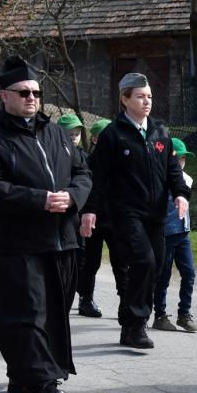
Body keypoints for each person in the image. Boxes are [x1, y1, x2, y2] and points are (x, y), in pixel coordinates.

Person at [0, 56, 91, 393]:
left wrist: (72, 197)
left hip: (61, 239)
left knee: (54, 312)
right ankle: (44, 385)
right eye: (24, 92)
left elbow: (82, 172)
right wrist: (39, 200)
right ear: (4, 96)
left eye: (36, 92)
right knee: (28, 312)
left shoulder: (56, 133)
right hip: (17, 242)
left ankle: (22, 375)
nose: (32, 98)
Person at [82, 74, 190, 350]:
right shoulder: (113, 134)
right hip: (125, 213)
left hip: (155, 214)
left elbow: (172, 170)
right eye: (140, 96)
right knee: (144, 261)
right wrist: (90, 209)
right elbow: (97, 175)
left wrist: (180, 194)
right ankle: (136, 325)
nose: (146, 101)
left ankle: (129, 318)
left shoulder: (160, 132)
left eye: (149, 96)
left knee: (156, 265)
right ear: (125, 99)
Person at [75, 118, 119, 318]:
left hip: (117, 219)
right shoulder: (88, 163)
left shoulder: (121, 162)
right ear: (94, 139)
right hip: (92, 219)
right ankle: (86, 299)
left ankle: (127, 301)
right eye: (104, 137)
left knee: (121, 261)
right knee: (90, 261)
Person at [153, 138, 197, 333]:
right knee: (163, 276)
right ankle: (160, 315)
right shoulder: (160, 179)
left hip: (183, 234)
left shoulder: (186, 179)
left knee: (189, 273)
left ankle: (184, 314)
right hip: (166, 234)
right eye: (177, 158)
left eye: (183, 159)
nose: (181, 163)